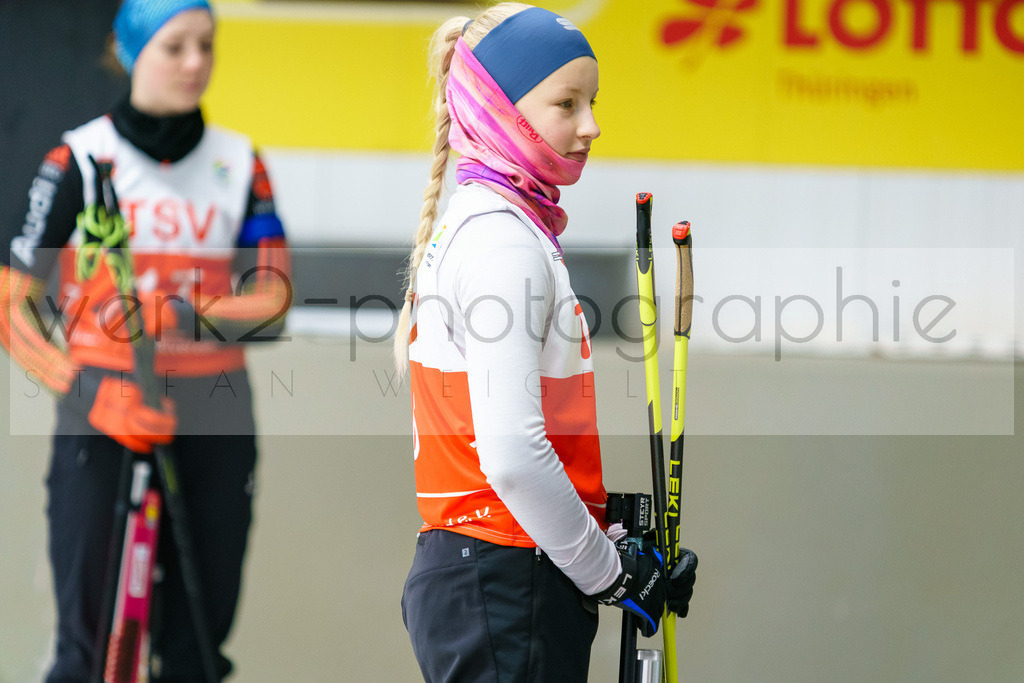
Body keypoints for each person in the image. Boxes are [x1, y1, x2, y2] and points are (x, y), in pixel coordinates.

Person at [393, 4, 697, 680]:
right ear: (501, 108)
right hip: (503, 574)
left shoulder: (497, 226)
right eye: (567, 102)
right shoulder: (503, 240)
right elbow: (512, 457)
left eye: (592, 100)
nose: (591, 125)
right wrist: (609, 572)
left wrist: (611, 544)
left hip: (502, 572)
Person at [0, 1, 291, 680]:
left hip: (215, 407)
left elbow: (273, 300)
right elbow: (12, 305)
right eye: (174, 47)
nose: (195, 63)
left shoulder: (240, 162)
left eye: (206, 46)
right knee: (91, 643)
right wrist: (84, 392)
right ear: (128, 51)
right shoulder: (79, 157)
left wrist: (180, 314)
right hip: (104, 403)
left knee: (196, 642)